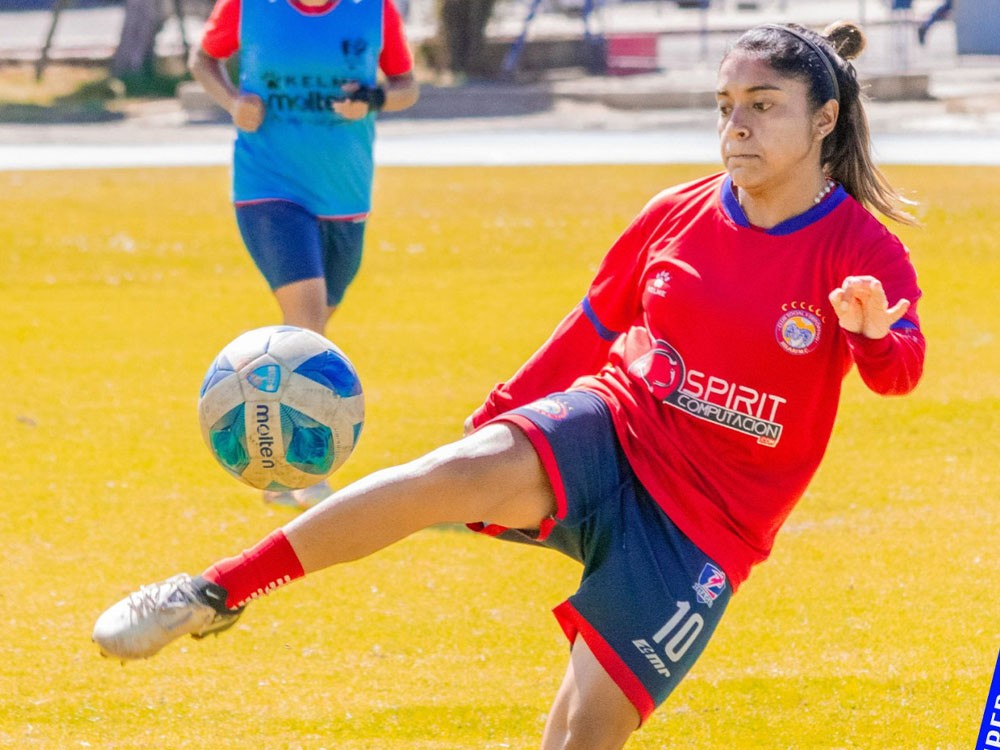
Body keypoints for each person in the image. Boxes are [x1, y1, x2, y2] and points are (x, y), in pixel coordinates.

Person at [93, 21, 926, 748]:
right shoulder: (677, 211)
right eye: (725, 104)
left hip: (706, 530)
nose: (736, 124)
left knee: (580, 736)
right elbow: (594, 328)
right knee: (438, 479)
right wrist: (499, 414)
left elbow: (901, 373)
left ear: (824, 119)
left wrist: (873, 334)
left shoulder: (862, 250)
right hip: (616, 428)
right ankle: (212, 590)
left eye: (763, 103)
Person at [189, 0, 420, 508]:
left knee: (311, 332)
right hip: (267, 185)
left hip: (346, 195)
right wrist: (232, 101)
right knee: (307, 318)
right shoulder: (248, 7)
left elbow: (408, 86)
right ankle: (298, 468)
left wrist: (375, 98)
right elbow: (202, 60)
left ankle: (262, 442)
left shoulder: (374, 11)